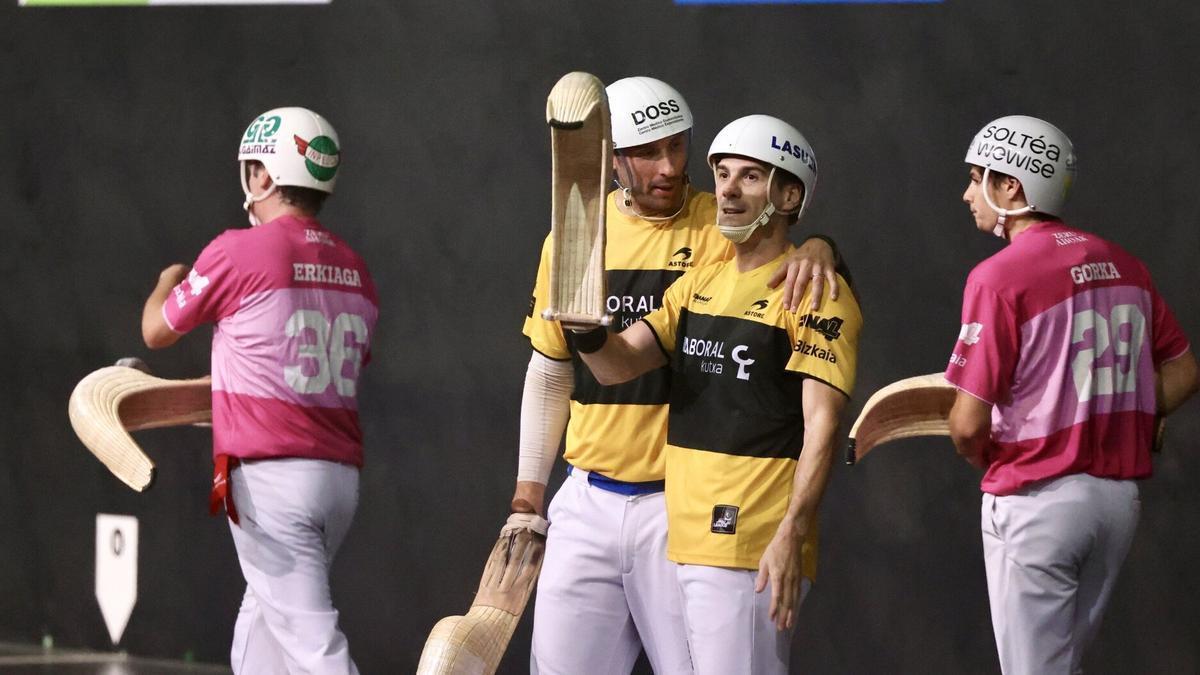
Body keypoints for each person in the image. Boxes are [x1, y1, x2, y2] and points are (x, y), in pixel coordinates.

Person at [516, 77, 849, 675]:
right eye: (647, 152)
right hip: (588, 496)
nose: (670, 167)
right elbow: (557, 368)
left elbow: (780, 254)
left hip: (684, 506)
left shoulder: (715, 229)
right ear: (612, 158)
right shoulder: (576, 238)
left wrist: (821, 246)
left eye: (678, 147)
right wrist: (527, 496)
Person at [946, 115, 1199, 674]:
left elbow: (966, 424)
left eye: (975, 177)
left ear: (1010, 185)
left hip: (1038, 499)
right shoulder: (1127, 265)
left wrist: (985, 456)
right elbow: (1183, 372)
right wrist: (1119, 418)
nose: (967, 194)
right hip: (1116, 505)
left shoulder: (998, 276)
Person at [140, 107, 377, 675]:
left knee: (314, 648)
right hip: (338, 483)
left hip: (273, 483)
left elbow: (156, 331)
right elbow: (302, 372)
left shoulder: (236, 251)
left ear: (264, 176)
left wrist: (166, 281)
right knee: (261, 637)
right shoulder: (356, 267)